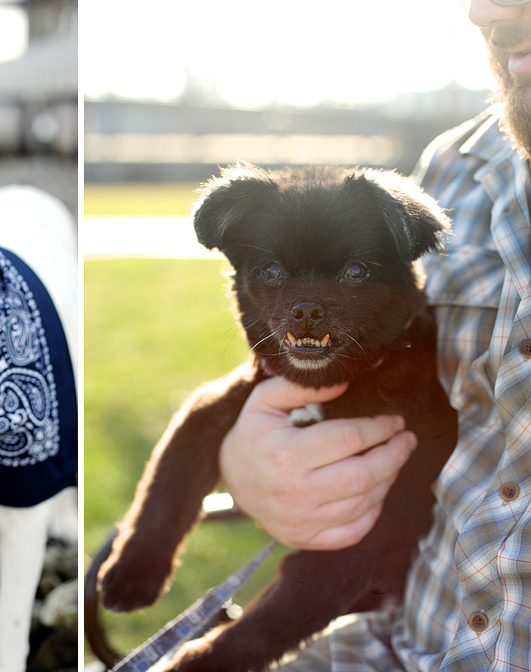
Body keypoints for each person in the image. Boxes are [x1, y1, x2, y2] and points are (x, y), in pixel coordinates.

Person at [221, 0, 531, 669]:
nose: (483, 11)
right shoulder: (451, 171)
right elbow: (338, 358)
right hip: (387, 646)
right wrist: (247, 465)